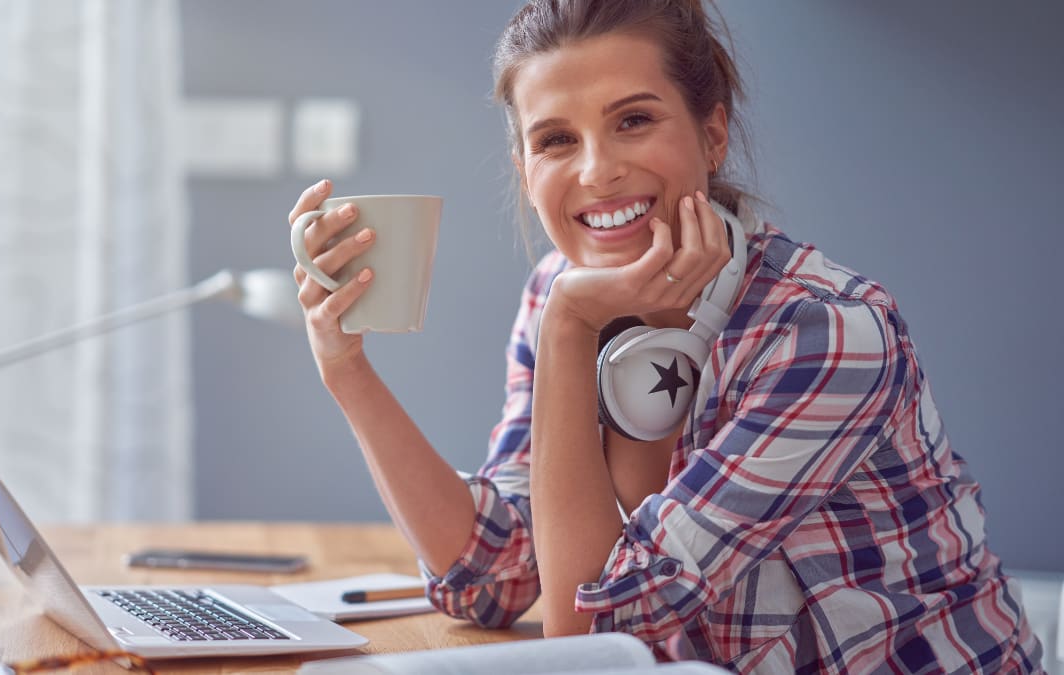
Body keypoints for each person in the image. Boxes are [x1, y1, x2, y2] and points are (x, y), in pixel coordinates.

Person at [287, 0, 1044, 671]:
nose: (598, 171)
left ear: (712, 134)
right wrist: (346, 369)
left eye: (634, 120)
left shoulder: (823, 333)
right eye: (556, 139)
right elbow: (491, 576)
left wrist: (569, 330)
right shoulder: (559, 291)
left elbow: (586, 639)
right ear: (524, 171)